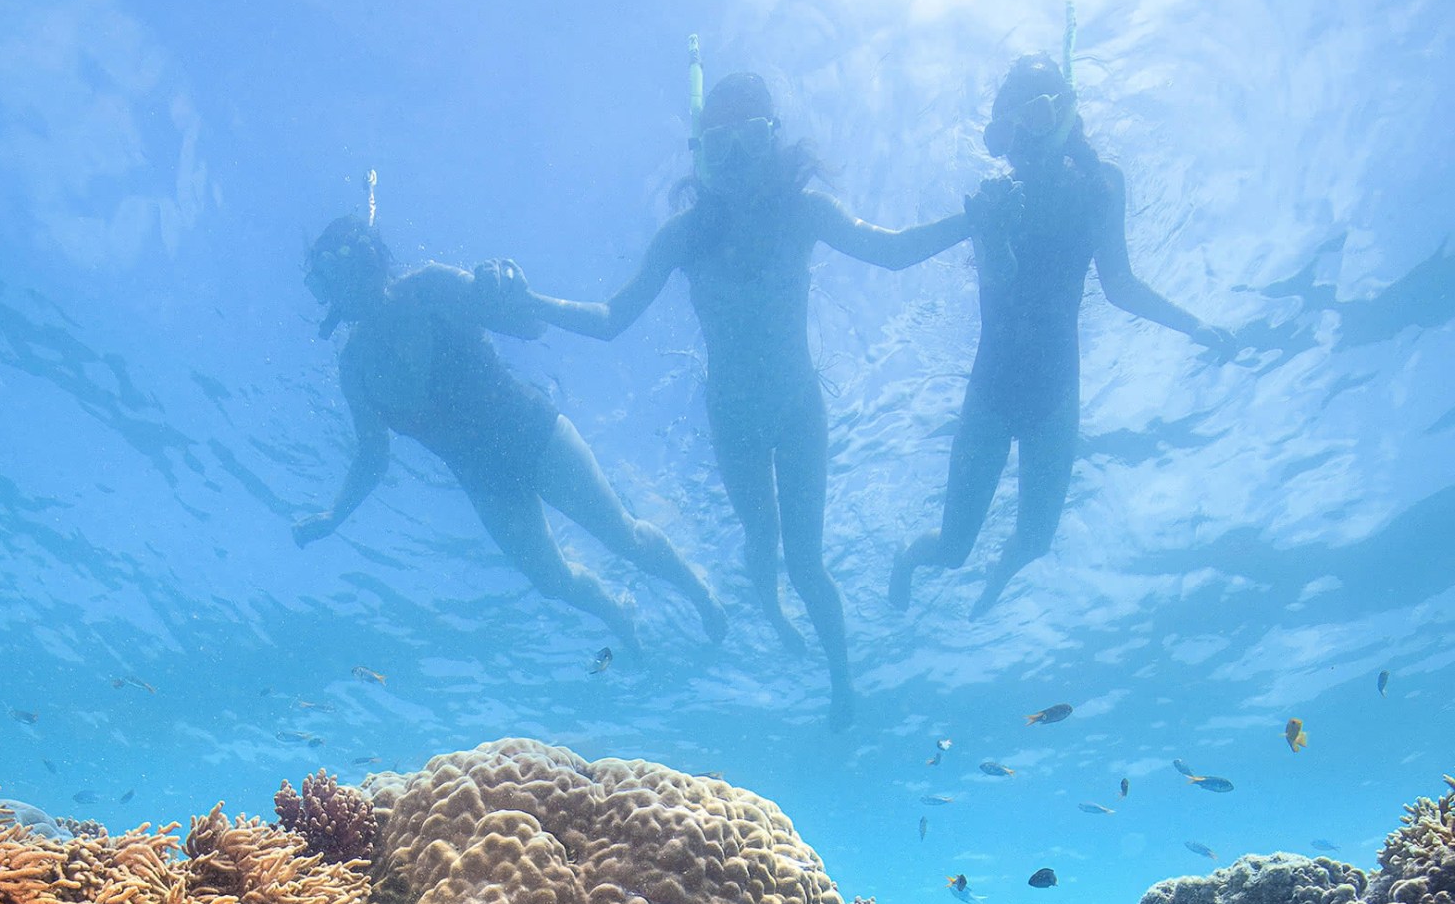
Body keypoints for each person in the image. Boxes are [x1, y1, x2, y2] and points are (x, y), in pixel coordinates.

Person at [509, 73, 971, 729]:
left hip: (797, 408)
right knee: (762, 535)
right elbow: (613, 316)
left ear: (772, 140)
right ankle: (774, 610)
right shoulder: (683, 235)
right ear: (701, 156)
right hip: (733, 421)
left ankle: (842, 685)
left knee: (806, 558)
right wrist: (528, 302)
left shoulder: (804, 211)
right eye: (719, 147)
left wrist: (973, 219)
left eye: (749, 140)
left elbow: (890, 251)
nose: (736, 161)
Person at [887, 54, 1236, 619]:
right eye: (1010, 126)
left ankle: (993, 588)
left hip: (1054, 396)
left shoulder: (1100, 187)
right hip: (992, 395)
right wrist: (993, 234)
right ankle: (909, 557)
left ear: (1067, 117)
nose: (1025, 136)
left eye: (1040, 115)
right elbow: (997, 286)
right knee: (951, 551)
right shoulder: (995, 198)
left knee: (1035, 542)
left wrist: (1192, 323)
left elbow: (1119, 285)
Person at [292, 216, 727, 656]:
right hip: (485, 480)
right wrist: (335, 516)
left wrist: (507, 283)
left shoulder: (429, 288)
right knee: (551, 581)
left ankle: (699, 593)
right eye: (319, 284)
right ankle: (617, 614)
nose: (331, 293)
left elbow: (529, 326)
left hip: (534, 434)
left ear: (365, 262)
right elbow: (372, 454)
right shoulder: (355, 367)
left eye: (331, 275)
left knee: (622, 536)